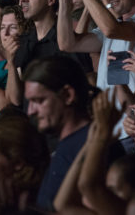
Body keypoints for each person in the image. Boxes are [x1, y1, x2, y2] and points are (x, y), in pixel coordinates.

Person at [23, 56, 90, 211]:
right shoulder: (67, 144)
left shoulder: (94, 145)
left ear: (68, 95)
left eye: (38, 101)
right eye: (29, 102)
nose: (30, 111)